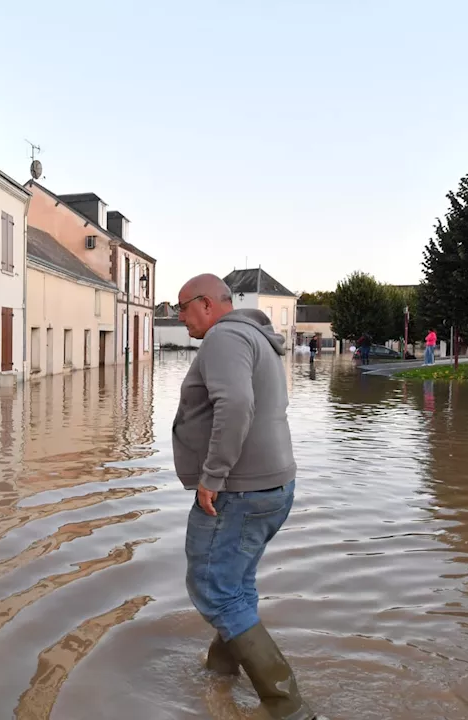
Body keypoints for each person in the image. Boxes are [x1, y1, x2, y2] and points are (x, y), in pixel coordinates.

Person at [173, 274, 320, 720]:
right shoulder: (257, 339)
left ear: (205, 305)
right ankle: (222, 669)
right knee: (236, 584)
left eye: (181, 308)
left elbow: (236, 404)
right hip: (273, 486)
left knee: (213, 588)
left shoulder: (224, 338)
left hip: (238, 490)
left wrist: (213, 476)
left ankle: (283, 704)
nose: (178, 317)